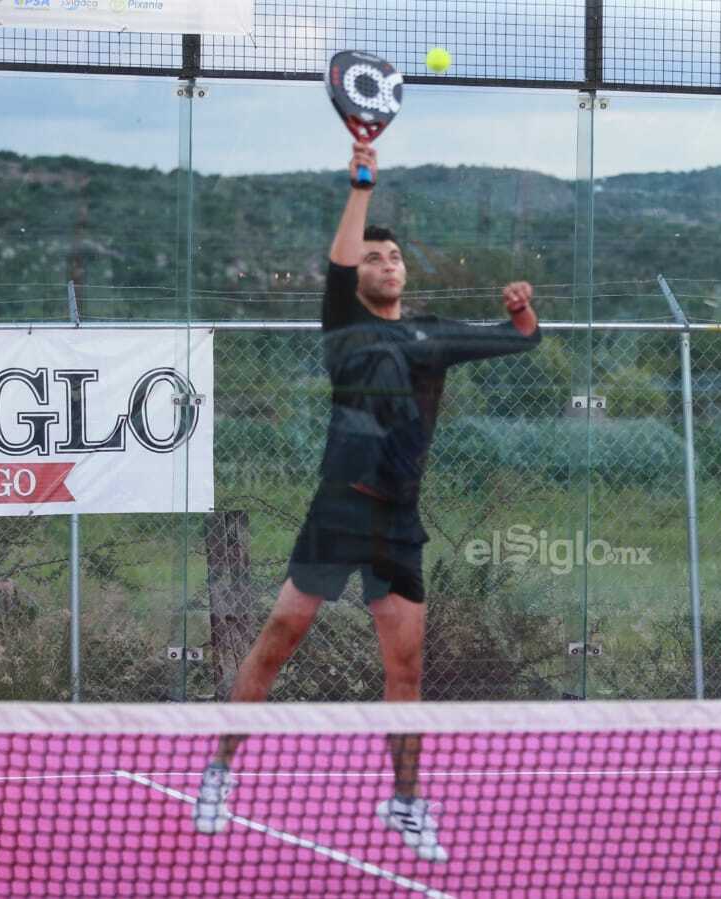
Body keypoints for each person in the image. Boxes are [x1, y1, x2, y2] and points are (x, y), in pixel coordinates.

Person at [192, 141, 542, 863]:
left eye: (395, 257)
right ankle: (219, 772)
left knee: (405, 670)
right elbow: (339, 264)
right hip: (337, 514)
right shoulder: (344, 327)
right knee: (277, 641)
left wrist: (522, 310)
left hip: (399, 525)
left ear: (405, 272)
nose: (386, 264)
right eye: (374, 258)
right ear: (359, 274)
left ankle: (406, 801)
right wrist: (361, 185)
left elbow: (521, 342)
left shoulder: (432, 334)